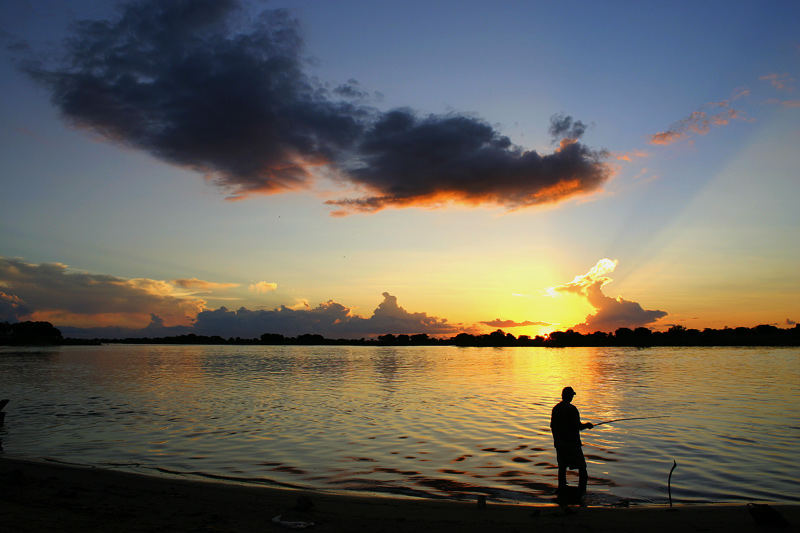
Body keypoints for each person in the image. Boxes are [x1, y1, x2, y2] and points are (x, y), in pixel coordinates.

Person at [550, 386, 593, 498]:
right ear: (569, 396)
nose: (572, 397)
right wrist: (587, 425)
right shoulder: (572, 409)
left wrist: (556, 441)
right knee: (582, 468)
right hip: (572, 444)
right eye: (572, 395)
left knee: (562, 468)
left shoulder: (556, 409)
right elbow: (578, 426)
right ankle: (582, 494)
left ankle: (561, 491)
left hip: (560, 444)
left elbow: (552, 427)